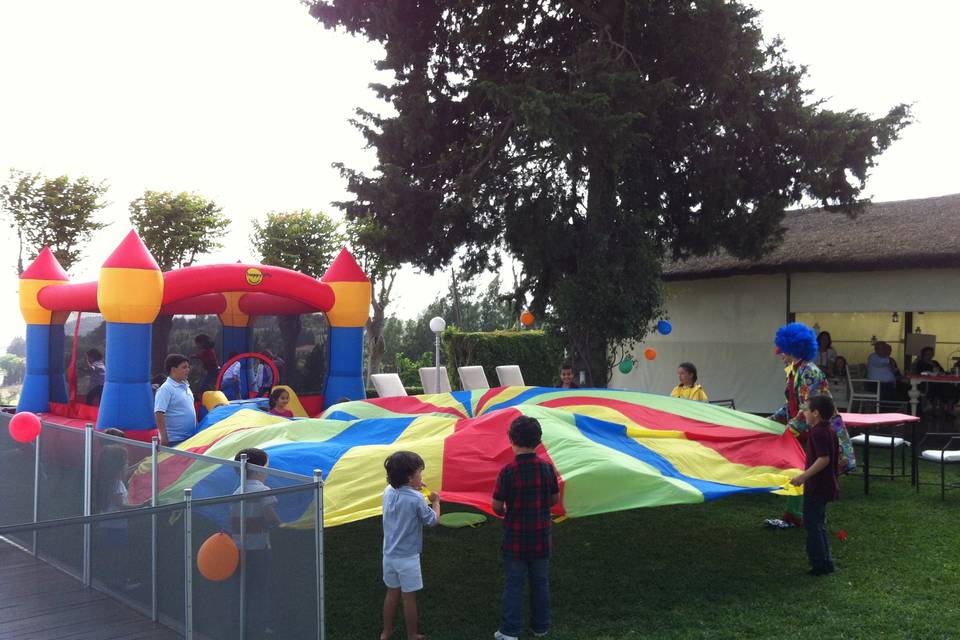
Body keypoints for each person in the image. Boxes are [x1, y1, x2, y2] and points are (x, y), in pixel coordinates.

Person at [492, 416, 560, 640]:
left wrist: (505, 510)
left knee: (514, 583)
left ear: (511, 439)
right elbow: (553, 499)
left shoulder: (508, 472)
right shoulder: (547, 468)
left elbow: (498, 506)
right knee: (540, 582)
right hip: (541, 536)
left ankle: (510, 630)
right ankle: (541, 626)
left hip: (515, 538)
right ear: (539, 441)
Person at [767, 323, 831, 528]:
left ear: (793, 348)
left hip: (815, 430)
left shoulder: (809, 372)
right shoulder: (794, 371)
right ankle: (794, 515)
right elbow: (791, 404)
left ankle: (808, 517)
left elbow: (809, 407)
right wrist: (772, 419)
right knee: (798, 469)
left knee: (812, 472)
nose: (779, 354)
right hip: (803, 429)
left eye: (782, 350)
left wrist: (789, 430)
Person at [380, 451, 441, 640]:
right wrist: (436, 502)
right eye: (419, 474)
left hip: (389, 555)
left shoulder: (388, 491)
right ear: (409, 477)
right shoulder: (416, 499)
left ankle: (386, 632)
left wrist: (414, 488)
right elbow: (432, 521)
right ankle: (412, 634)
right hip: (408, 557)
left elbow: (404, 494)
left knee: (392, 594)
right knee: (409, 598)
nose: (421, 478)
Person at [230, 448, 281, 638]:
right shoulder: (262, 490)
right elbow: (270, 516)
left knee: (243, 587)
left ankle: (240, 622)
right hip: (259, 548)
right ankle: (259, 625)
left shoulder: (236, 490)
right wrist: (280, 524)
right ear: (258, 470)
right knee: (260, 587)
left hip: (238, 548)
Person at [790, 394, 840, 576]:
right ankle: (826, 563)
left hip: (817, 486)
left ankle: (819, 565)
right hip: (826, 485)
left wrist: (803, 477)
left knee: (812, 526)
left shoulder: (818, 432)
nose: (804, 413)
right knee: (819, 525)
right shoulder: (829, 430)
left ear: (816, 413)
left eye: (806, 410)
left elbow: (824, 459)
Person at [94, 444, 139, 590]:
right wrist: (143, 506)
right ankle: (118, 580)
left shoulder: (109, 481)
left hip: (110, 526)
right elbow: (121, 507)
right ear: (117, 466)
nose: (128, 464)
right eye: (126, 462)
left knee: (114, 552)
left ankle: (113, 578)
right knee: (119, 554)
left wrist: (141, 464)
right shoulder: (116, 485)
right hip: (115, 527)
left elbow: (127, 472)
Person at [154, 354, 197, 446]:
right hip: (174, 440)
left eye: (188, 367)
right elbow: (159, 413)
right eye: (184, 367)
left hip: (190, 438)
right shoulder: (166, 389)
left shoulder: (186, 386)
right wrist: (164, 438)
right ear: (173, 369)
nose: (188, 370)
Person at [911, 346, 959, 416]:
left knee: (952, 387)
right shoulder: (920, 363)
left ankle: (949, 408)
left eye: (931, 354)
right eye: (927, 354)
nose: (929, 356)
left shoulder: (935, 362)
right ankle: (939, 409)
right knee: (942, 388)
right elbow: (920, 373)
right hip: (928, 384)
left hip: (940, 382)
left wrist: (942, 373)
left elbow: (942, 371)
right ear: (923, 355)